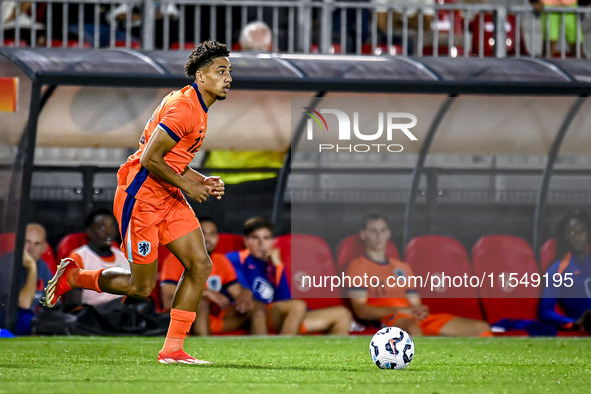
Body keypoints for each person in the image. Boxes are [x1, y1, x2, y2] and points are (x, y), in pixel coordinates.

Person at [42, 40, 231, 364]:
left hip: (166, 196)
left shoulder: (196, 105)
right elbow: (149, 159)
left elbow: (173, 160)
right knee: (141, 287)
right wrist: (188, 186)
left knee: (200, 264)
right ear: (201, 76)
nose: (228, 78)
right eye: (221, 71)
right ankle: (75, 277)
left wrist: (201, 181)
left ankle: (173, 350)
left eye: (229, 71)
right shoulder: (185, 108)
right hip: (141, 199)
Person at [346, 213, 492, 337]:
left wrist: (420, 310)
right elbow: (361, 310)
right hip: (389, 319)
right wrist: (401, 310)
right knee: (412, 330)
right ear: (363, 234)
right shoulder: (357, 266)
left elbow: (415, 303)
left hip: (415, 318)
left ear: (388, 233)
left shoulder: (402, 267)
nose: (379, 236)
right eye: (373, 231)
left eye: (383, 230)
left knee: (480, 328)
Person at [226, 217, 352, 335]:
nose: (261, 243)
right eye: (255, 238)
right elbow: (245, 295)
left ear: (273, 241)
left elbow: (285, 298)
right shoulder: (236, 258)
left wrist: (279, 267)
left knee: (343, 314)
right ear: (246, 241)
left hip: (281, 316)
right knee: (297, 305)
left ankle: (326, 358)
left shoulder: (273, 263)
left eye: (266, 238)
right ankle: (284, 356)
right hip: (255, 314)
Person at [160, 217, 251, 335]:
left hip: (215, 319)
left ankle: (263, 351)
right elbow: (168, 302)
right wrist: (205, 293)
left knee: (255, 306)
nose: (207, 238)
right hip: (182, 321)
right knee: (201, 302)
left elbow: (237, 293)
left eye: (212, 234)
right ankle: (205, 347)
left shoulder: (221, 260)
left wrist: (246, 293)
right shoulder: (175, 259)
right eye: (202, 233)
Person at [538, 210, 591, 334]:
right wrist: (572, 323)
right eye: (571, 232)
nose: (576, 236)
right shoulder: (558, 270)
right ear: (565, 236)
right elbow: (545, 311)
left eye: (581, 232)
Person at [65, 209, 129, 306]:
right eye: (102, 227)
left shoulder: (123, 256)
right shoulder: (79, 258)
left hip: (123, 312)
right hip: (94, 314)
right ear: (89, 231)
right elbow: (73, 302)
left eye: (112, 227)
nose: (109, 232)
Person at [15, 223, 54, 335]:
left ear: (44, 248)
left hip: (34, 323)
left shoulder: (43, 267)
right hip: (12, 325)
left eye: (37, 244)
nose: (31, 249)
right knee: (25, 317)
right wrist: (32, 268)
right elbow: (24, 304)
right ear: (18, 242)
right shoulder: (6, 265)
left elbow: (53, 305)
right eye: (27, 242)